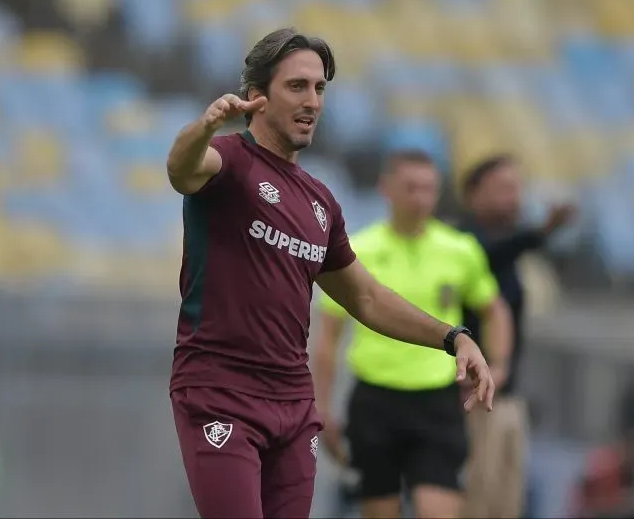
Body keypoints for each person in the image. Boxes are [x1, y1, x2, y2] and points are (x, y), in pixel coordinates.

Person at [164, 27, 495, 519]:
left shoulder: (320, 202)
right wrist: (205, 126)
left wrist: (455, 338)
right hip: (222, 392)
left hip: (294, 407)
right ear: (257, 97)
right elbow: (181, 170)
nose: (313, 101)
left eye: (319, 88)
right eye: (297, 86)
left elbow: (365, 298)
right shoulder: (228, 162)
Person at [314, 150, 513, 519]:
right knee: (379, 511)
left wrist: (499, 364)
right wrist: (322, 408)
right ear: (385, 189)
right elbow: (328, 338)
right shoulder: (357, 250)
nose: (420, 198)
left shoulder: (459, 249)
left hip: (437, 400)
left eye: (428, 189)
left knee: (438, 509)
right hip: (375, 397)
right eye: (410, 188)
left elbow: (493, 308)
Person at [458, 155, 575, 518]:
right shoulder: (461, 244)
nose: (514, 198)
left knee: (507, 504)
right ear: (474, 194)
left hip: (508, 396)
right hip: (470, 397)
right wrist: (541, 232)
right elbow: (485, 255)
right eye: (504, 188)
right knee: (474, 501)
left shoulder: (509, 252)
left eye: (517, 189)